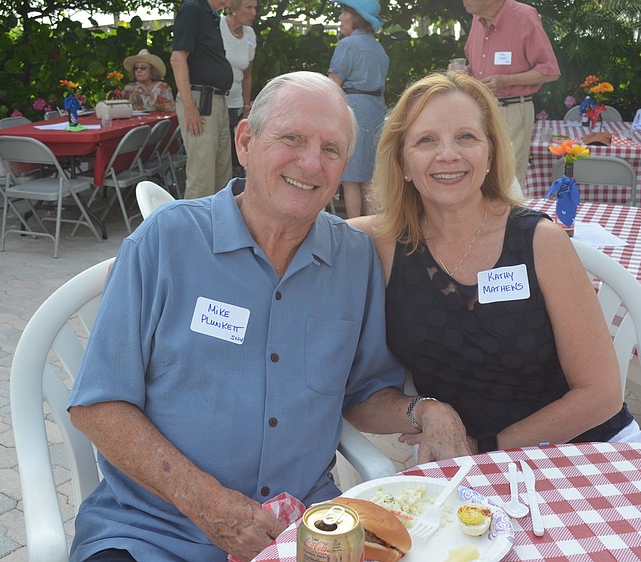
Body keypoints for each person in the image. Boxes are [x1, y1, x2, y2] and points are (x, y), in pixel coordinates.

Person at [67, 71, 471, 562]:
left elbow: (363, 392)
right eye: (292, 138)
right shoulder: (166, 241)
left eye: (331, 149)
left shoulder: (354, 259)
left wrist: (427, 410)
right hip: (154, 530)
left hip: (301, 530)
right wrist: (207, 503)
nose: (310, 163)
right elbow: (97, 404)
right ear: (246, 140)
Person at [349, 72, 641, 454]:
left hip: (583, 450)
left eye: (466, 137)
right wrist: (425, 413)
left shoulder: (540, 242)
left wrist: (487, 447)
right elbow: (297, 232)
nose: (448, 154)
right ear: (402, 161)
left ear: (490, 154)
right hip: (469, 467)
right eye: (426, 140)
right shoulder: (378, 244)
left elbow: (600, 395)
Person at [461, 0, 560, 192]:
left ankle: (509, 222)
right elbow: (474, 65)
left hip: (511, 110)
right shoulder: (477, 18)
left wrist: (506, 81)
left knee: (507, 179)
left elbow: (550, 71)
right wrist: (465, 72)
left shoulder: (524, 16)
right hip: (477, 110)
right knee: (478, 175)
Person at [328, 0, 388, 218]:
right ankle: (373, 230)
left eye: (344, 12)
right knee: (370, 178)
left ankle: (352, 229)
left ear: (355, 17)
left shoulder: (347, 45)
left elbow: (333, 83)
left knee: (351, 178)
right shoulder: (378, 47)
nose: (340, 17)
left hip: (355, 110)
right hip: (376, 111)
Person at [171, 0, 234, 200]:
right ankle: (193, 231)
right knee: (202, 177)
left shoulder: (210, 15)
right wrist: (190, 107)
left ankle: (219, 228)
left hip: (217, 99)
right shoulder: (193, 8)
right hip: (200, 99)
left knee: (222, 175)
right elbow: (177, 58)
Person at [221, 0, 257, 178]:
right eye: (249, 7)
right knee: (220, 158)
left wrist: (245, 107)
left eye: (255, 8)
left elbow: (248, 75)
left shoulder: (250, 34)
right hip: (217, 103)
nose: (254, 13)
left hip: (236, 105)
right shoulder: (217, 26)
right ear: (234, 8)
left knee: (238, 158)